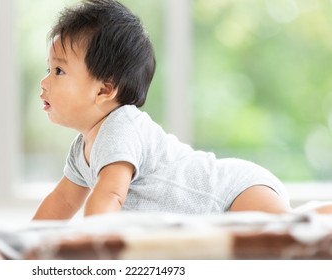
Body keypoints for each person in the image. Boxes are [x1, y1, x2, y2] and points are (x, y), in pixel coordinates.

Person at [32, 0, 292, 220]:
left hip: (233, 193)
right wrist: (22, 248)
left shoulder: (120, 128)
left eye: (59, 71)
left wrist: (91, 249)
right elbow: (63, 201)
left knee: (291, 235)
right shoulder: (82, 150)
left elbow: (109, 197)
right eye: (48, 69)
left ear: (104, 90)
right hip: (215, 215)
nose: (45, 82)